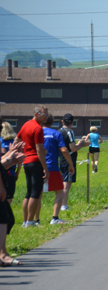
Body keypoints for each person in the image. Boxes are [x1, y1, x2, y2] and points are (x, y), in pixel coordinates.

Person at [15, 105, 49, 227]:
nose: (46, 117)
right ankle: (30, 221)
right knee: (35, 192)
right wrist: (45, 168)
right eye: (44, 115)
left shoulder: (25, 125)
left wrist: (24, 150)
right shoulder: (38, 128)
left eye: (47, 115)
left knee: (29, 192)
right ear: (36, 114)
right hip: (35, 161)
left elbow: (16, 141)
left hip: (26, 161)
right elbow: (39, 150)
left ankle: (25, 221)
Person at [39, 115, 75, 225]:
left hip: (37, 165)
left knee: (36, 194)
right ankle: (55, 218)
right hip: (52, 166)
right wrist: (71, 164)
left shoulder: (37, 132)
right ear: (53, 122)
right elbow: (64, 150)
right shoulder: (56, 133)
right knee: (59, 191)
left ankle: (33, 220)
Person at [1, 124, 26, 267]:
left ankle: (2, 253)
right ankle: (2, 254)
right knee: (4, 218)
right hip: (6, 177)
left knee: (7, 217)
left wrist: (10, 156)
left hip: (7, 174)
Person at [58, 114, 88, 212]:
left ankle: (62, 204)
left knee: (65, 181)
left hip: (61, 158)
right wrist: (81, 145)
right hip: (69, 159)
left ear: (62, 121)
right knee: (67, 183)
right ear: (72, 122)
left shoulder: (59, 131)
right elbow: (73, 148)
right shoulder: (69, 132)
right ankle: (64, 205)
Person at [1, 121, 21, 205]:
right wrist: (17, 172)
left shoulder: (1, 141)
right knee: (9, 196)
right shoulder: (15, 142)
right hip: (11, 172)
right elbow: (19, 159)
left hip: (2, 169)